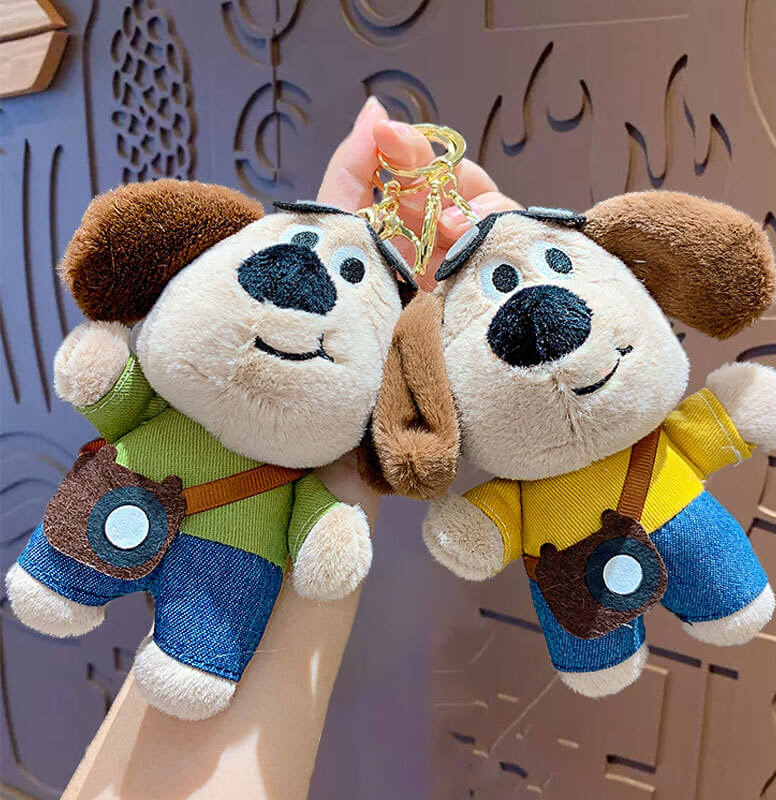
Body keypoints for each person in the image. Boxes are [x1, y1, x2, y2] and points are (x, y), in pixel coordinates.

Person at [63, 98, 519, 800]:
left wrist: (351, 474)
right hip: (149, 508)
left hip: (228, 557)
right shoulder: (172, 401)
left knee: (192, 665)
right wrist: (107, 379)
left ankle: (167, 642)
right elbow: (117, 396)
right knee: (70, 590)